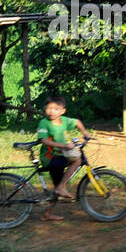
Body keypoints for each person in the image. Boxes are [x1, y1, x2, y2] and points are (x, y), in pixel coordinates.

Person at [35, 94, 88, 222]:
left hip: (60, 154)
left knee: (73, 163)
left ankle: (56, 196)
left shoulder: (64, 120)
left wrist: (85, 132)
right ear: (45, 109)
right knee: (77, 161)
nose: (51, 111)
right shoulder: (44, 123)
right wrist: (64, 145)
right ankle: (61, 188)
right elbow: (44, 141)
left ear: (62, 111)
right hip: (50, 157)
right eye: (48, 108)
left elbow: (77, 122)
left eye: (55, 109)